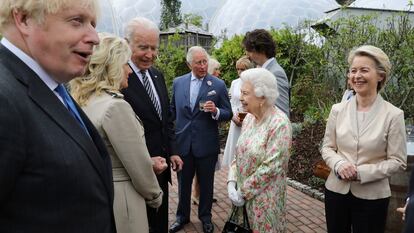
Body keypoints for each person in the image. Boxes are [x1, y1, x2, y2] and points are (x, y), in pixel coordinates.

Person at [0, 1, 117, 232]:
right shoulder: (4, 97)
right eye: (77, 21)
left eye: (93, 24)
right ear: (24, 19)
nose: (95, 37)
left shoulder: (52, 86)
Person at [69, 33, 163, 233]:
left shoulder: (82, 101)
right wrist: (155, 196)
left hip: (99, 193)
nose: (129, 70)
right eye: (125, 64)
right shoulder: (115, 107)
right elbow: (137, 166)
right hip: (123, 200)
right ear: (111, 67)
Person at [321, 45, 407, 233]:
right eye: (353, 70)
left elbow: (398, 161)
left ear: (380, 76)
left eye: (364, 70)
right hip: (336, 191)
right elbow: (327, 147)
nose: (356, 76)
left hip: (373, 197)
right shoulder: (338, 109)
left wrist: (361, 173)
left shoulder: (393, 115)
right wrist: (338, 165)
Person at [121, 17, 183, 233]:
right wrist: (145, 161)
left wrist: (173, 151)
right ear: (126, 44)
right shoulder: (119, 78)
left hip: (161, 169)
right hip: (136, 172)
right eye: (143, 47)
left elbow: (165, 119)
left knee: (159, 224)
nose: (150, 54)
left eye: (154, 47)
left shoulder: (157, 75)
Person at [169, 46, 232, 233]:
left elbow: (229, 113)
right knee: (183, 185)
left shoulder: (218, 85)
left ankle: (206, 218)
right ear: (189, 64)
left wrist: (216, 111)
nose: (204, 66)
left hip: (206, 145)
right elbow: (173, 110)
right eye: (199, 62)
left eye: (205, 61)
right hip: (183, 145)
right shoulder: (178, 83)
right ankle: (182, 217)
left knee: (206, 185)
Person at [227, 68, 292, 233]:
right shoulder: (249, 118)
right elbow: (239, 153)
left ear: (262, 97)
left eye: (245, 93)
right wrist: (231, 182)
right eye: (241, 92)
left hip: (265, 203)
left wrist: (243, 192)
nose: (240, 98)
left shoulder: (279, 123)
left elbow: (272, 167)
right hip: (242, 202)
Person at [242, 29, 290, 117]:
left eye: (249, 50)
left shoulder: (276, 73)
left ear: (261, 49)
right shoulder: (262, 71)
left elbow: (282, 113)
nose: (247, 54)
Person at [222, 56, 255, 168]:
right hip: (236, 121)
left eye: (243, 69)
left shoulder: (254, 83)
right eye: (238, 69)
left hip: (250, 120)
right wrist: (232, 116)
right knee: (234, 152)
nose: (240, 72)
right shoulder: (235, 83)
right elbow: (230, 102)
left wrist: (247, 117)